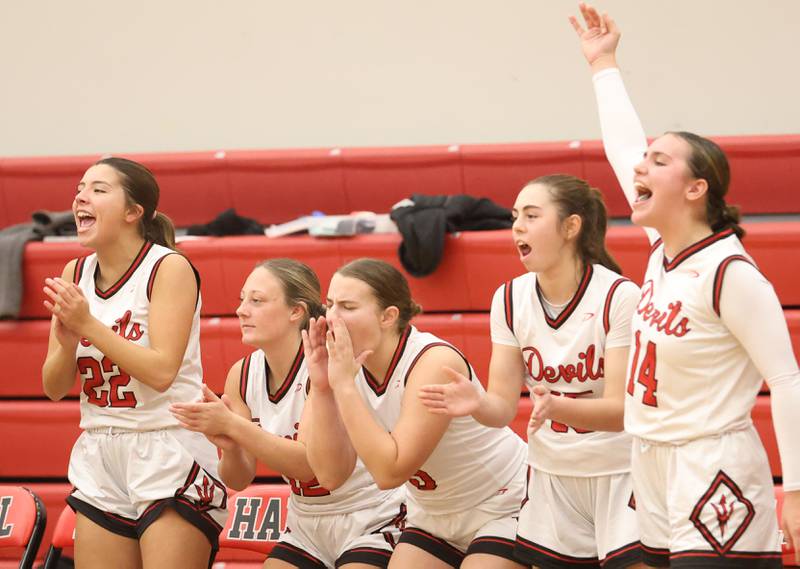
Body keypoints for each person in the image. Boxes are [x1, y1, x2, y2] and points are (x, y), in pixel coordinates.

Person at [572, 3, 800, 566]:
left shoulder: (730, 274)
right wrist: (604, 65)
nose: (639, 170)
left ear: (696, 188)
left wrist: (795, 489)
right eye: (644, 162)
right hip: (650, 459)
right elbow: (621, 147)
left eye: (658, 161)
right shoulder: (661, 253)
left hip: (712, 462)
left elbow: (787, 380)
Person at [419, 174, 645, 569]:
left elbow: (621, 411)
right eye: (514, 217)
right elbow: (502, 409)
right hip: (552, 475)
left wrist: (557, 407)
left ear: (571, 226)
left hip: (620, 470)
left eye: (531, 215)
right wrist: (477, 403)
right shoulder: (508, 298)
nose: (517, 227)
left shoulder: (619, 296)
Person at [41, 157, 226, 569]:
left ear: (133, 212)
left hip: (167, 444)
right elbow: (53, 388)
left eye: (98, 189)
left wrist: (88, 324)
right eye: (79, 188)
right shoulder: (75, 271)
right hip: (99, 449)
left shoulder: (168, 267)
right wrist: (69, 343)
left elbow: (162, 372)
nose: (81, 197)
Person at [170, 258, 405, 569]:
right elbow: (238, 478)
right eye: (242, 299)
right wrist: (229, 445)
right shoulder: (242, 374)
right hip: (306, 519)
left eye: (257, 301)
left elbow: (308, 465)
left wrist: (235, 427)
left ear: (297, 311)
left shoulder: (326, 363)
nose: (242, 310)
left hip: (370, 511)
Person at [302, 258, 528, 569]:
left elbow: (389, 472)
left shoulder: (432, 362)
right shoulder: (343, 368)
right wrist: (323, 387)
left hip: (502, 502)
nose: (331, 318)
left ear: (388, 316)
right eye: (329, 304)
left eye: (348, 307)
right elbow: (329, 475)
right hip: (432, 514)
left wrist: (343, 386)